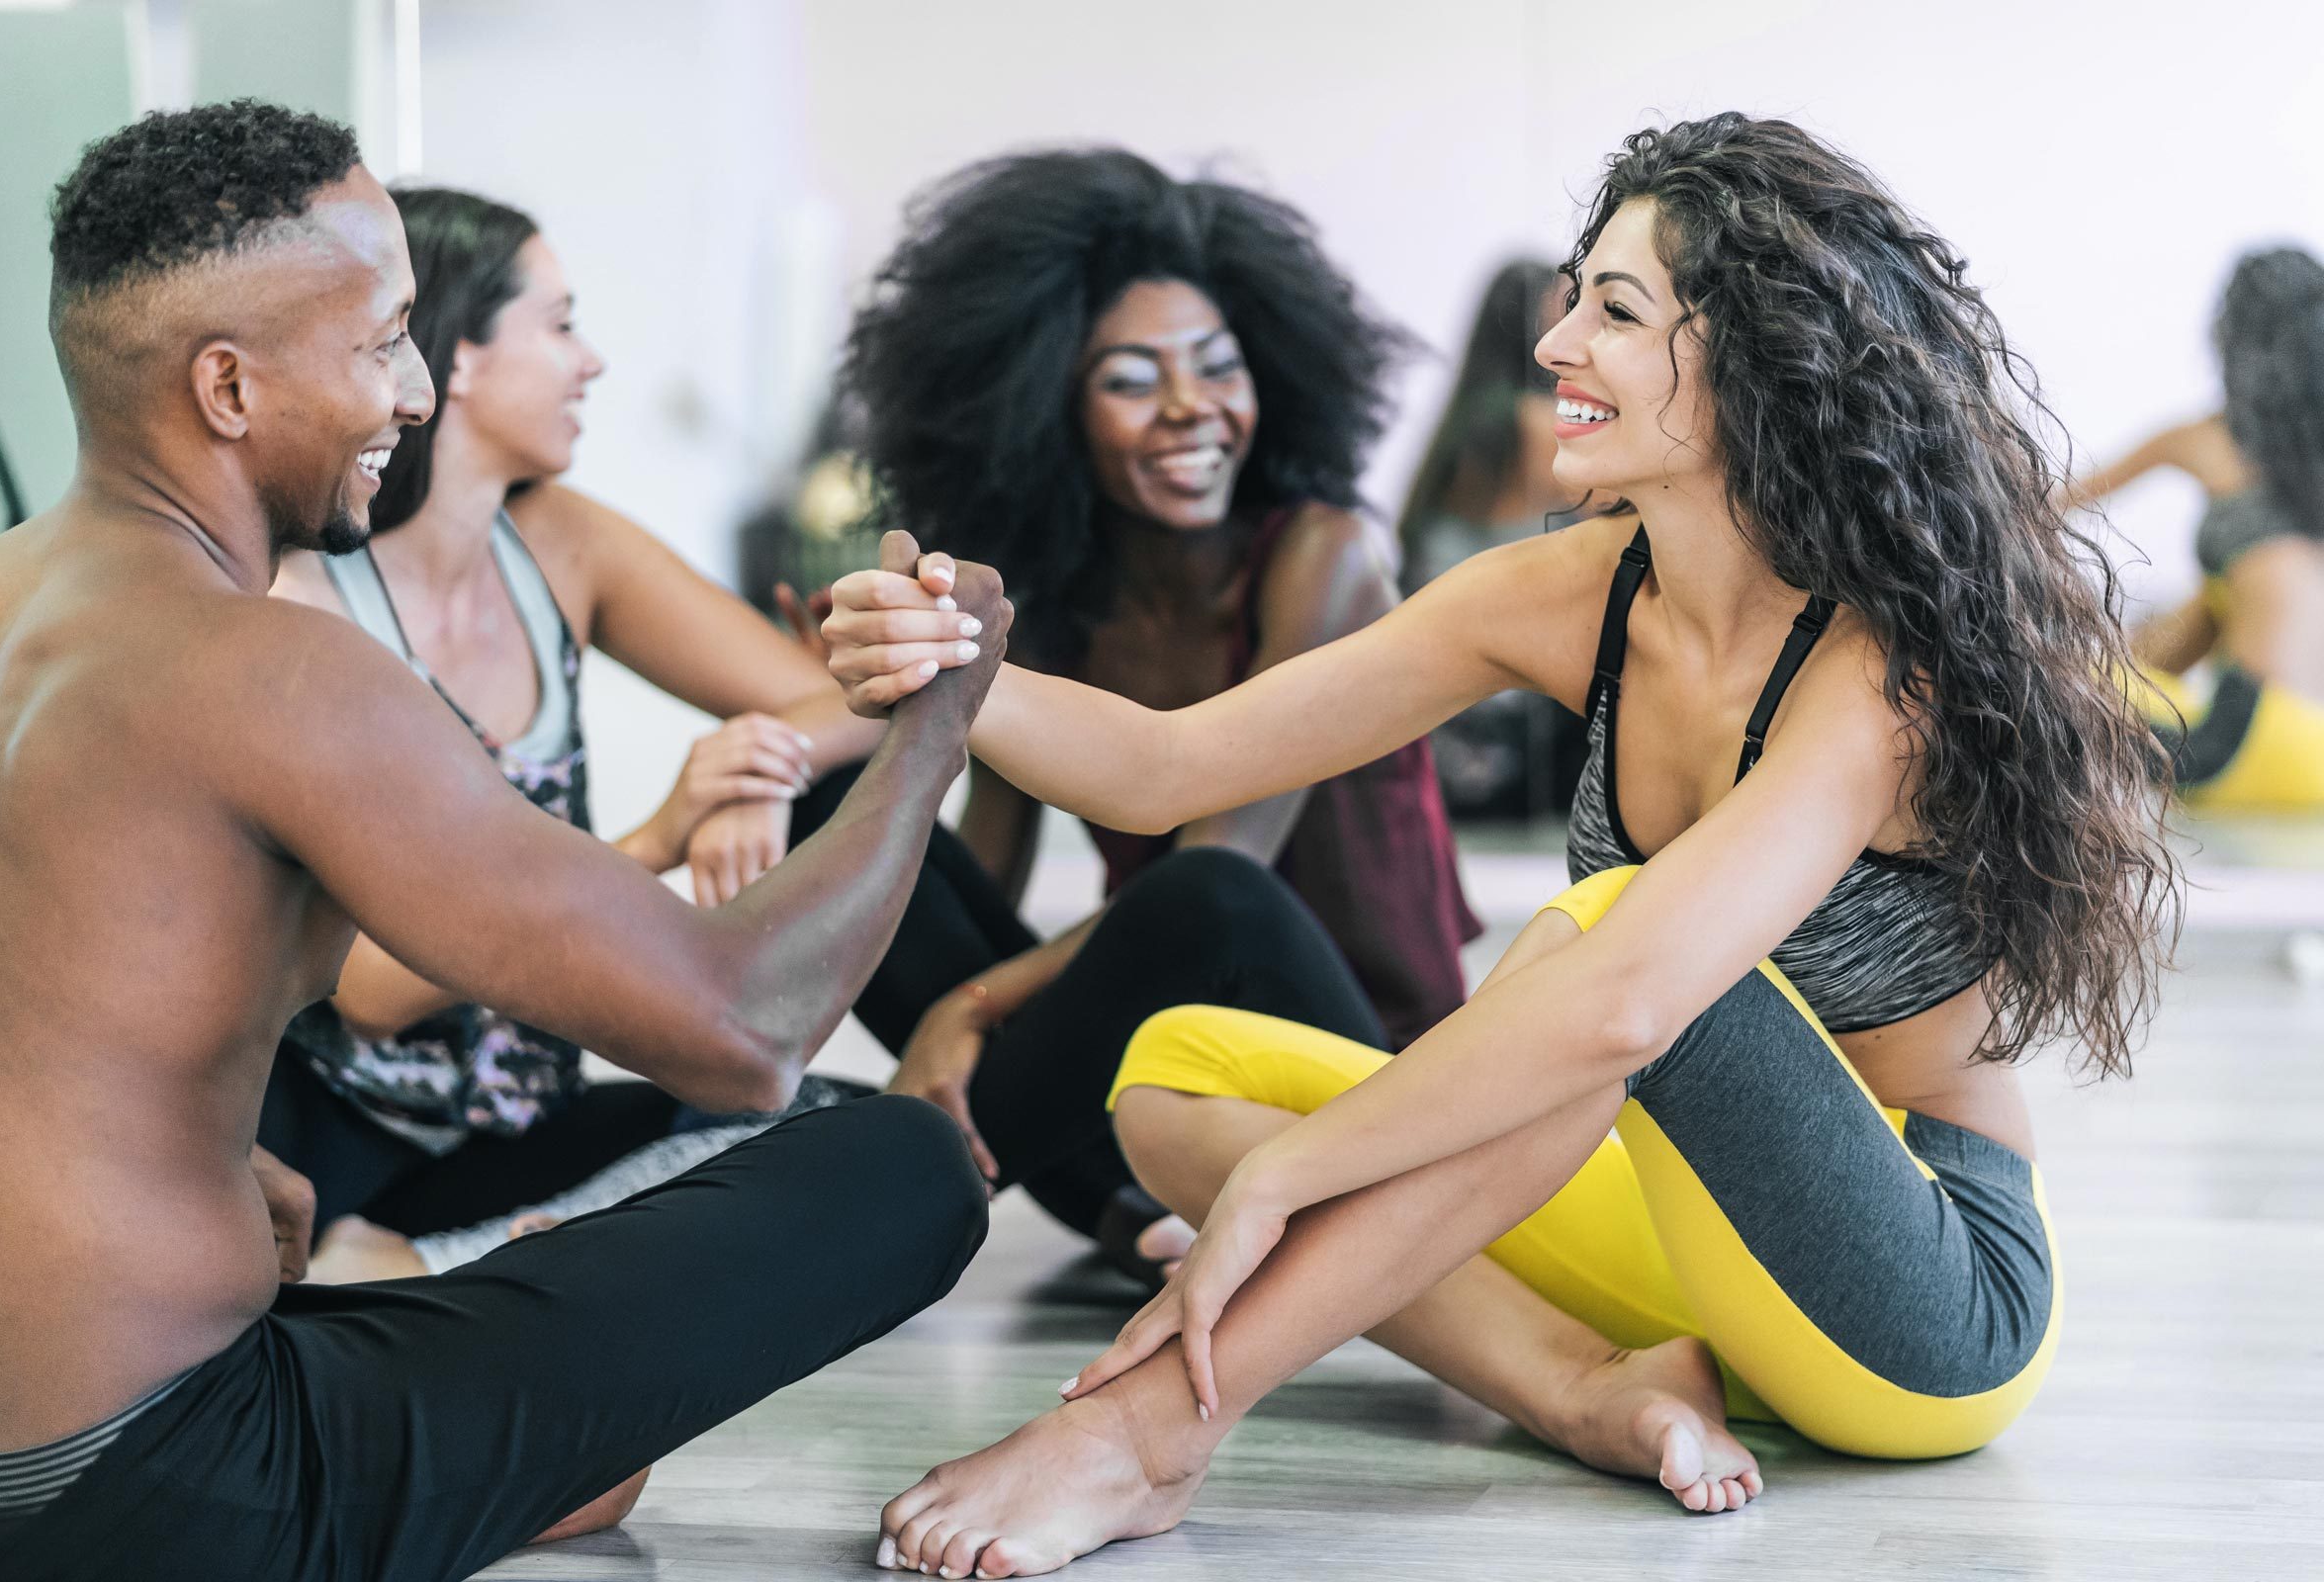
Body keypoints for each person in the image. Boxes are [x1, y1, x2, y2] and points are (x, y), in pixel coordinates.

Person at [824, 113, 2179, 1578]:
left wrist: (1297, 1180)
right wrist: (960, 673)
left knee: (1609, 949)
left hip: (1918, 1298)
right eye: (1569, 299)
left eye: (1615, 308)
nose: (1552, 346)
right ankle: (1598, 1389)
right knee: (1175, 1080)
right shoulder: (1568, 592)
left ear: (1757, 356)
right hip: (1690, 1242)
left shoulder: (1873, 676)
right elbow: (1173, 765)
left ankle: (1146, 1436)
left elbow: (1633, 1002)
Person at [0, 102, 997, 1582]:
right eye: (382, 343)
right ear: (230, 388)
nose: (417, 394)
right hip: (146, 1492)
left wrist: (222, 1161)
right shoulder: (275, 675)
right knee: (897, 1162)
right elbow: (744, 1031)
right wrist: (940, 722)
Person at [812, 149, 1482, 1278]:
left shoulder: (1323, 561)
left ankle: (854, 1208)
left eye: (1219, 368)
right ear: (1045, 410)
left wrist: (969, 1012)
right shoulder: (1056, 605)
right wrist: (876, 736)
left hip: (1363, 1059)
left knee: (1202, 894)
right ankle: (1114, 1202)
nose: (1191, 408)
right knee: (840, 817)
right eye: (1131, 379)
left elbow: (1225, 872)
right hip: (1154, 1067)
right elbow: (980, 869)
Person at [254, 184, 890, 1259]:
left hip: (511, 1125)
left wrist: (756, 767)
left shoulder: (561, 544)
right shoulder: (300, 602)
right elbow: (367, 990)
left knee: (851, 1131)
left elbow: (849, 704)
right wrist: (660, 836)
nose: (590, 362)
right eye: (560, 325)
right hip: (332, 1124)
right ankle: (400, 1255)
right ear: (454, 355)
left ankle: (425, 1261)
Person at [2067, 246, 2324, 810]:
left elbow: (2052, 502)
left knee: (2046, 678)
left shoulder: (2208, 440)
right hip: (2314, 756)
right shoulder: (2310, 485)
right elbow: (2188, 638)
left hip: (2238, 742)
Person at [1393, 256, 1595, 820]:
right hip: (1497, 731)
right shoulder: (1533, 426)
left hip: (1443, 717)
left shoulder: (1465, 423)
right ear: (1530, 320)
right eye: (1572, 303)